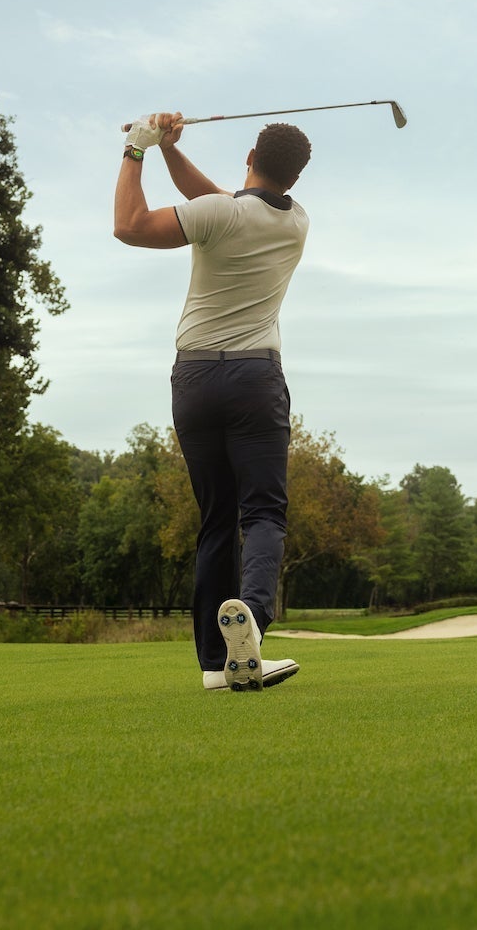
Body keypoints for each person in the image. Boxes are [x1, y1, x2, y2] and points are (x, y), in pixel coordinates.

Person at [114, 111, 312, 692]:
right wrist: (171, 150)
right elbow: (226, 200)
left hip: (195, 380)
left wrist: (137, 149)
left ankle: (214, 666)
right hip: (255, 379)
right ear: (295, 179)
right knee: (264, 514)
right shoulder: (297, 220)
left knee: (217, 521)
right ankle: (250, 619)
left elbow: (128, 225)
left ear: (249, 157)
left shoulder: (219, 214)